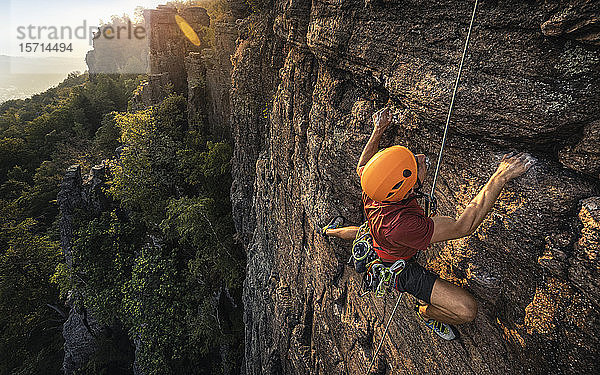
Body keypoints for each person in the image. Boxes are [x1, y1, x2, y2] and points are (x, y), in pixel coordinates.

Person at [322, 107, 536, 340]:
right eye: (416, 166)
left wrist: (379, 129)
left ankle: (329, 230)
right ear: (408, 190)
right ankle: (425, 313)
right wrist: (500, 176)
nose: (421, 158)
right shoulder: (403, 225)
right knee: (466, 310)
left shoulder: (373, 185)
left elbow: (362, 165)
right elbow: (463, 226)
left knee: (361, 233)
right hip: (396, 263)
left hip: (377, 236)